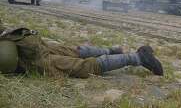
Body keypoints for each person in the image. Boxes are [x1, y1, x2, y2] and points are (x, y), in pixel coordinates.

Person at [0, 22, 163, 78]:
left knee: (79, 60)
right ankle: (123, 54)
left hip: (27, 52)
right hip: (26, 47)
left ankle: (130, 56)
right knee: (78, 57)